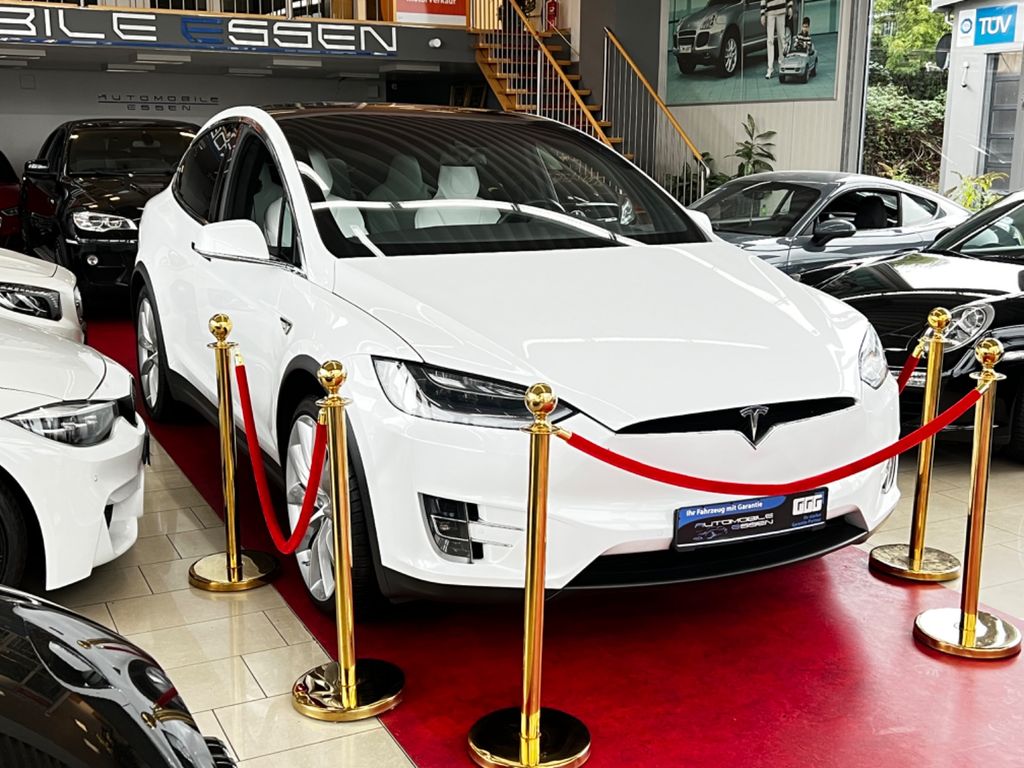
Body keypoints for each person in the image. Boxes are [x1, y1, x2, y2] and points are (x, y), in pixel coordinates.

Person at [760, 0, 793, 79]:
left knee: (781, 38)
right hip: (770, 12)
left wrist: (790, 7)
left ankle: (782, 64)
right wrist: (762, 14)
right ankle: (770, 68)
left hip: (781, 9)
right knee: (770, 40)